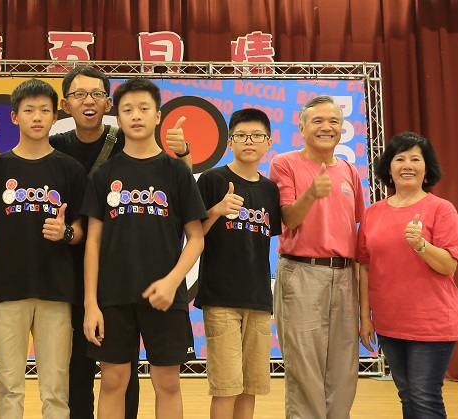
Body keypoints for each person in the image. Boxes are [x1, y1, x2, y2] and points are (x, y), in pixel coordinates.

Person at [0, 66, 192, 419]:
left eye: (96, 94)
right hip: (66, 276)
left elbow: (179, 185)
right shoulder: (57, 143)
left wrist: (183, 151)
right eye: (79, 95)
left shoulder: (128, 140)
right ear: (65, 106)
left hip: (114, 275)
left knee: (121, 372)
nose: (88, 101)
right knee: (74, 370)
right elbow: (0, 176)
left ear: (109, 104)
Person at [81, 77, 206, 419]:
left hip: (166, 298)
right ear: (118, 117)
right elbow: (92, 241)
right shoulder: (104, 174)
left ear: (158, 115)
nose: (136, 115)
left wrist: (171, 282)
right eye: (127, 110)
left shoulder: (176, 172)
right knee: (112, 381)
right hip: (113, 297)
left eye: (143, 108)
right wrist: (91, 303)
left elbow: (196, 238)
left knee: (167, 383)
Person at [0, 78, 88, 419]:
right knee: (9, 388)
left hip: (56, 291)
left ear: (55, 117)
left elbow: (82, 230)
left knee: (56, 389)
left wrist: (65, 233)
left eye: (44, 110)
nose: (37, 117)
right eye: (28, 110)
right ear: (14, 117)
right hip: (7, 291)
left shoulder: (71, 169)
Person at [269, 94, 364, 418]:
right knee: (304, 368)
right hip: (302, 273)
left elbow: (355, 229)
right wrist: (311, 193)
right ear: (301, 127)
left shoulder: (350, 170)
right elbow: (288, 218)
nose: (327, 127)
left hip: (345, 275)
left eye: (334, 121)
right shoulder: (285, 163)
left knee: (344, 367)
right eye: (318, 121)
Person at [357, 132, 458, 418]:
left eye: (416, 159)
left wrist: (421, 245)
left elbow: (449, 265)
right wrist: (365, 317)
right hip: (389, 322)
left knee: (424, 397)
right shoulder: (372, 213)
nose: (407, 165)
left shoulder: (442, 209)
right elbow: (364, 266)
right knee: (407, 395)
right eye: (399, 158)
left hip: (431, 321)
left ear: (427, 168)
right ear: (388, 168)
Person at [195, 108, 281, 419]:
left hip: (258, 299)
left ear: (268, 142)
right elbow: (194, 235)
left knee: (250, 387)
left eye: (257, 136)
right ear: (230, 142)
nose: (249, 141)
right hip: (221, 298)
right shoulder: (212, 179)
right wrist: (216, 210)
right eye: (241, 135)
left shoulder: (270, 189)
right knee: (226, 387)